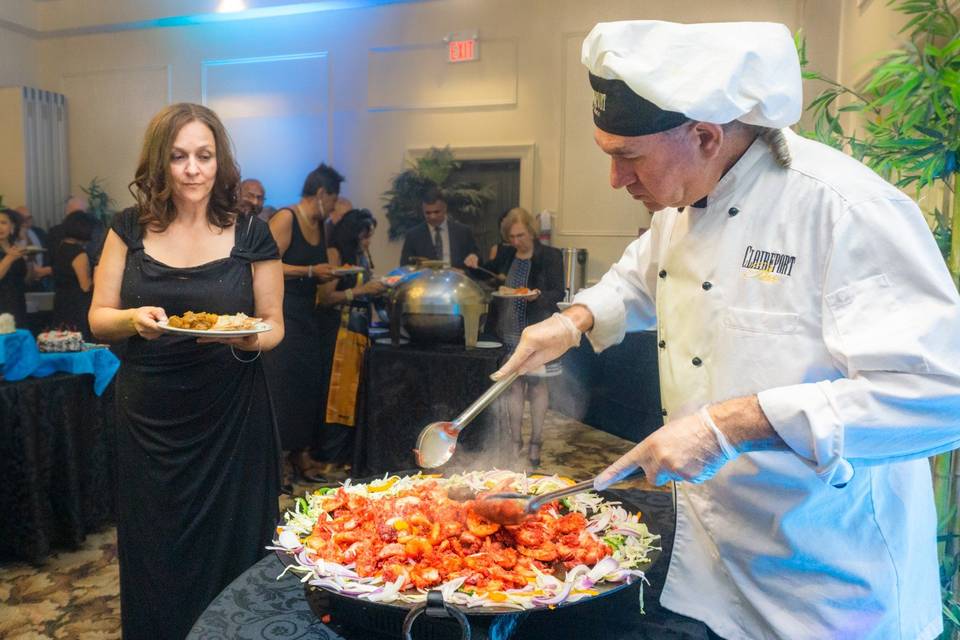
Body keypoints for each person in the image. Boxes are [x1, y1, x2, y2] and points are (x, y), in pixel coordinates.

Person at [493, 20, 960, 640]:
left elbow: (940, 396)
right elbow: (640, 278)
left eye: (626, 157)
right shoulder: (685, 203)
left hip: (831, 587)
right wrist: (572, 321)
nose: (615, 180)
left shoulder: (845, 212)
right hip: (713, 565)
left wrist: (728, 427)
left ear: (706, 135)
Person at [88, 102, 284, 640]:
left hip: (231, 417)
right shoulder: (127, 228)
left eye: (204, 155)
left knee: (236, 545)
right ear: (160, 163)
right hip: (150, 420)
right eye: (178, 157)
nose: (193, 168)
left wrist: (248, 334)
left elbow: (274, 325)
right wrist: (133, 318)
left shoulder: (251, 232)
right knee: (156, 548)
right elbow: (99, 320)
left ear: (219, 161)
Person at [264, 163, 341, 483]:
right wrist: (309, 272)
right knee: (283, 387)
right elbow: (264, 265)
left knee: (307, 386)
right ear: (321, 194)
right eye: (334, 199)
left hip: (309, 315)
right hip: (282, 312)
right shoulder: (286, 218)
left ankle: (301, 452)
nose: (335, 206)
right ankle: (279, 458)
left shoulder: (320, 226)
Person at [484, 207, 564, 467]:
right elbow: (491, 280)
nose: (516, 241)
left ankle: (536, 441)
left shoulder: (550, 256)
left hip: (539, 330)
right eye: (512, 237)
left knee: (538, 386)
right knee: (514, 385)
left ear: (531, 230)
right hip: (509, 331)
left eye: (520, 235)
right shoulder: (507, 255)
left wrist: (538, 295)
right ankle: (516, 441)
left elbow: (558, 292)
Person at [317, 208, 386, 466]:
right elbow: (325, 298)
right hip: (340, 332)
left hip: (360, 330)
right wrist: (361, 290)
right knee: (338, 396)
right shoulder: (335, 253)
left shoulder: (361, 254)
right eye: (365, 237)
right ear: (354, 234)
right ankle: (330, 458)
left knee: (354, 396)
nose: (368, 242)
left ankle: (347, 456)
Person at [399, 186, 480, 270]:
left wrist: (472, 259)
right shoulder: (413, 236)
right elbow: (405, 267)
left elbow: (477, 261)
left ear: (445, 209)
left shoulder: (463, 232)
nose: (432, 216)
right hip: (426, 281)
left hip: (456, 280)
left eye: (436, 212)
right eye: (428, 213)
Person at [51, 210, 96, 337]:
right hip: (76, 305)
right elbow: (85, 286)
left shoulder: (61, 247)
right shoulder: (79, 254)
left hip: (61, 300)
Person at [0, 208, 29, 325]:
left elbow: (26, 278)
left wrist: (29, 259)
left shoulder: (14, 247)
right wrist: (10, 258)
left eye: (3, 223)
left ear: (12, 226)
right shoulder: (12, 253)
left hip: (17, 303)